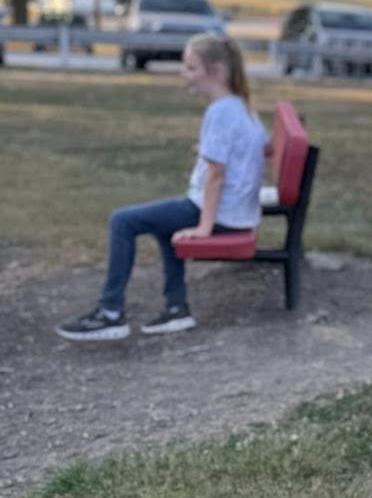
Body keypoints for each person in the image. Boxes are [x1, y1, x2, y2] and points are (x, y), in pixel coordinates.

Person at [57, 32, 266, 341]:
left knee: (122, 221)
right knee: (163, 223)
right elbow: (251, 147)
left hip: (219, 214)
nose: (184, 75)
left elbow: (216, 176)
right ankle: (175, 307)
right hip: (236, 211)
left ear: (217, 72)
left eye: (191, 68)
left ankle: (110, 313)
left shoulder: (220, 111)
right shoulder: (243, 107)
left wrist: (204, 228)